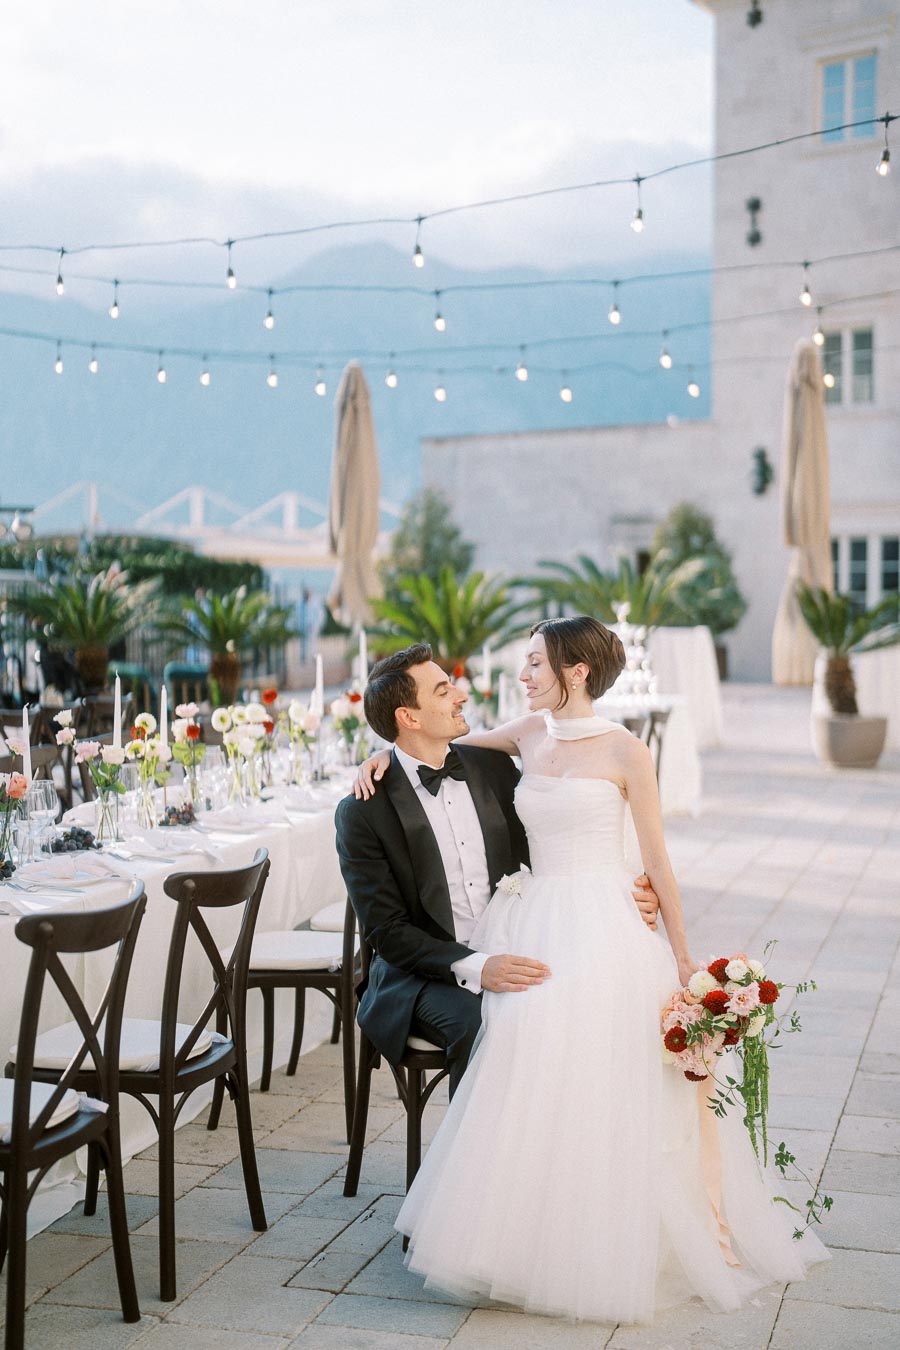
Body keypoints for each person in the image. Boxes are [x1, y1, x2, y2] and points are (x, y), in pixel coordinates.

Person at [348, 618, 828, 1324]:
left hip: (605, 916)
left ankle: (611, 1232)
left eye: (535, 662)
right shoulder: (524, 737)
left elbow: (658, 860)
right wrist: (375, 756)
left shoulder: (629, 751)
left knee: (603, 1040)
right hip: (534, 916)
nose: (522, 674)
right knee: (526, 1027)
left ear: (575, 672)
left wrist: (684, 955)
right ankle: (516, 1224)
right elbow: (433, 743)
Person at [334, 641, 660, 1099]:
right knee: (489, 1026)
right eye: (444, 691)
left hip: (516, 937)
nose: (461, 696)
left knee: (583, 1004)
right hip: (425, 974)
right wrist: (478, 967)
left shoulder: (491, 766)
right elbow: (388, 933)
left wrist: (627, 886)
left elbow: (555, 841)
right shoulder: (364, 811)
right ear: (408, 718)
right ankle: (477, 1166)